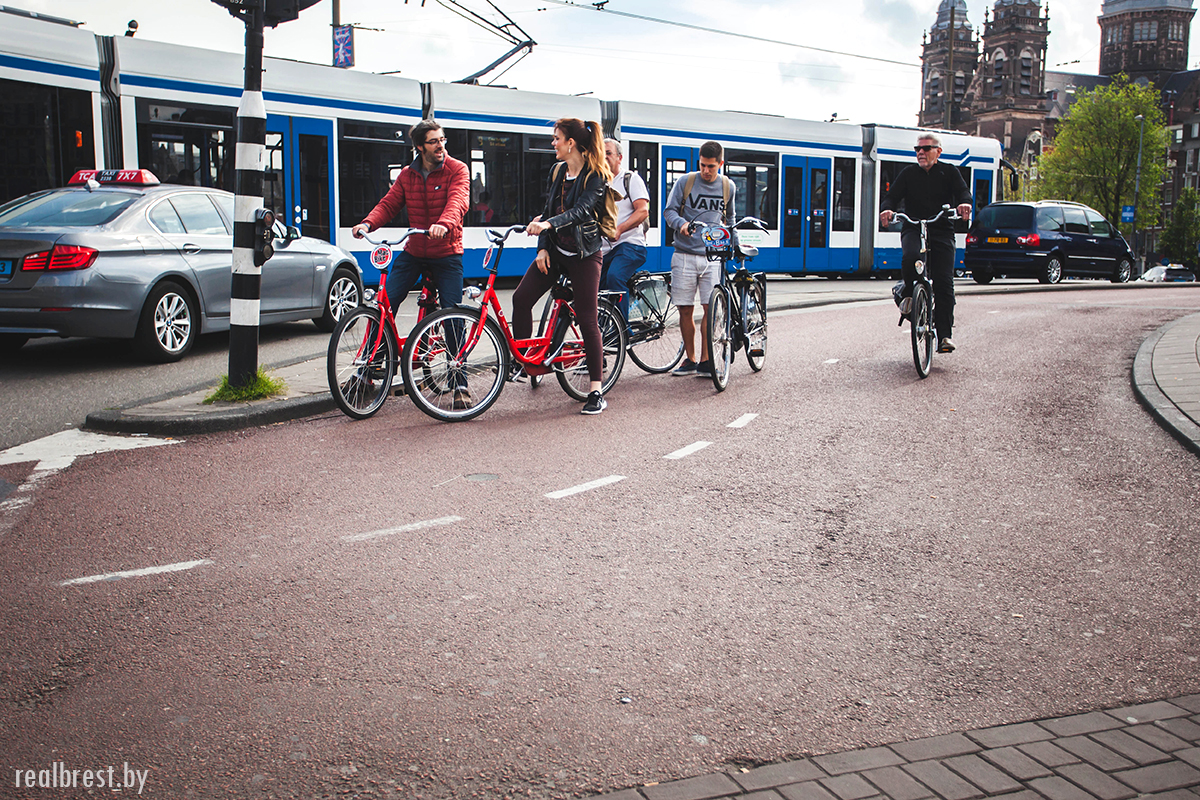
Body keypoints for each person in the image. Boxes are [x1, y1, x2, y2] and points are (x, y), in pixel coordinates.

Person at [351, 119, 470, 405]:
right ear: (419, 147)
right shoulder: (407, 175)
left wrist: (444, 223)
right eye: (434, 142)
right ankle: (368, 371)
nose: (440, 146)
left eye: (442, 140)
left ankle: (460, 383)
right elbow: (389, 204)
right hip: (415, 250)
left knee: (452, 312)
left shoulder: (458, 170)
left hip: (446, 252)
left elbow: (458, 202)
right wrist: (367, 224)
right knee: (385, 302)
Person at [517, 118, 613, 415]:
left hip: (584, 255)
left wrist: (547, 224)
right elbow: (549, 209)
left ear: (571, 142)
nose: (553, 143)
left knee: (587, 317)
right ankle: (529, 362)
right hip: (556, 251)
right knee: (521, 299)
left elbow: (581, 210)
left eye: (556, 138)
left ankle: (596, 391)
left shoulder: (595, 175)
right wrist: (543, 247)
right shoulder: (558, 171)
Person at [879, 132, 973, 353]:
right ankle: (910, 296)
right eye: (917, 149)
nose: (920, 152)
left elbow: (963, 193)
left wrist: (964, 205)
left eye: (926, 149)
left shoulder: (949, 172)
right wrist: (887, 208)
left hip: (941, 229)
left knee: (944, 282)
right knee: (910, 257)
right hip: (914, 226)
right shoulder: (908, 174)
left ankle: (945, 336)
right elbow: (892, 196)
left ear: (938, 152)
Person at [661, 141, 736, 377]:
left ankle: (706, 360)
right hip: (683, 254)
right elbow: (668, 211)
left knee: (710, 308)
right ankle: (690, 358)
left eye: (711, 167)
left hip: (712, 256)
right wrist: (681, 224)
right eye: (703, 165)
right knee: (685, 309)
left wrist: (732, 243)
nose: (706, 171)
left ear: (720, 164)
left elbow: (730, 219)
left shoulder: (727, 186)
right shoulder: (686, 182)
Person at [600, 138, 650, 320]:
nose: (604, 157)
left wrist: (620, 229)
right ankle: (604, 331)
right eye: (601, 153)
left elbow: (643, 210)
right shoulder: (595, 182)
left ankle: (622, 330)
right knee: (595, 288)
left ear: (619, 158)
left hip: (630, 244)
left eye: (608, 153)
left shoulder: (630, 179)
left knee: (614, 277)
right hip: (603, 249)